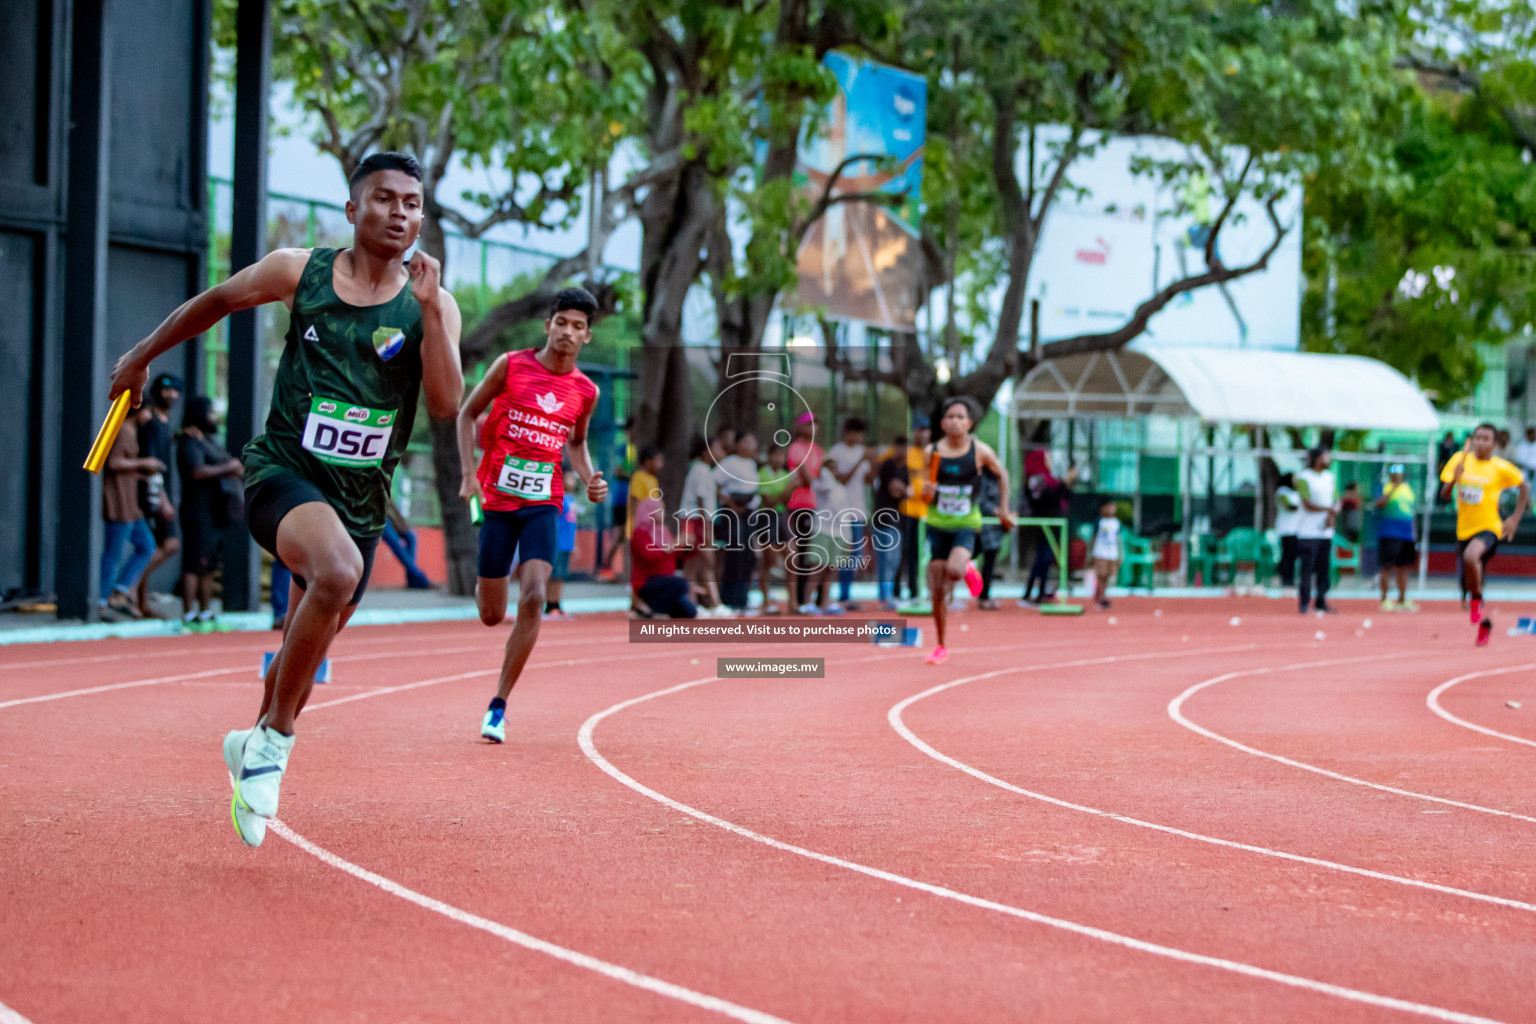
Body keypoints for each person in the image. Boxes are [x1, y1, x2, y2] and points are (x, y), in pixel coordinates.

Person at [108, 152, 464, 847]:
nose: (400, 213)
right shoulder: (298, 271)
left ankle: (253, 736)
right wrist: (144, 355)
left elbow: (447, 405)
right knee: (335, 573)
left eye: (413, 204)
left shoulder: (432, 302)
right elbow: (214, 301)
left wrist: (428, 313)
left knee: (311, 635)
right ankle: (274, 745)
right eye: (385, 199)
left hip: (360, 496)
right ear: (353, 208)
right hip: (282, 472)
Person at [457, 287, 606, 742]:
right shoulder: (511, 365)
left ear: (587, 337)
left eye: (578, 327)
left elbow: (576, 443)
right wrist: (469, 475)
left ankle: (498, 707)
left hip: (544, 501)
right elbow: (467, 414)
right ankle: (492, 600)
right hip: (497, 502)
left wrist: (589, 476)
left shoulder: (585, 391)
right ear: (548, 326)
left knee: (535, 595)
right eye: (561, 322)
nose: (567, 332)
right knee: (490, 612)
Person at [921, 397, 1014, 664]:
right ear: (942, 422)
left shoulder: (980, 451)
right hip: (937, 525)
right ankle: (940, 645)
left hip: (965, 524)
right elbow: (925, 495)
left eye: (961, 417)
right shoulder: (933, 452)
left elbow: (1002, 474)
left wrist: (1004, 510)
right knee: (937, 589)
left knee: (954, 570)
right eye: (950, 416)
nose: (955, 421)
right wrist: (926, 493)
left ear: (969, 423)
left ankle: (968, 569)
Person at [1440, 423, 1529, 645]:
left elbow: (1524, 487)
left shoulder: (1500, 467)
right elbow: (1443, 495)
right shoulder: (1460, 460)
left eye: (1485, 439)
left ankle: (1477, 601)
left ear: (1494, 444)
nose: (1480, 442)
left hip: (1489, 527)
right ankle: (1483, 621)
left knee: (1472, 557)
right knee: (1471, 580)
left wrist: (1515, 519)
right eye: (1477, 438)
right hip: (1464, 530)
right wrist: (1453, 479)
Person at [176, 396, 244, 631]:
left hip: (217, 512)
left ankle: (205, 611)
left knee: (210, 563)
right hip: (198, 511)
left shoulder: (210, 441)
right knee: (195, 562)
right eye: (210, 413)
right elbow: (196, 471)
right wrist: (229, 468)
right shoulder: (189, 442)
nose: (215, 418)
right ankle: (188, 613)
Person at [99, 412, 165, 622]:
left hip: (131, 504)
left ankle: (120, 591)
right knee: (113, 554)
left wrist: (143, 475)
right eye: (146, 411)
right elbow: (114, 463)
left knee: (147, 546)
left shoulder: (133, 430)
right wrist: (144, 463)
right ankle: (101, 602)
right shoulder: (122, 429)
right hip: (119, 502)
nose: (148, 416)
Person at [133, 373, 183, 618]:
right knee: (170, 545)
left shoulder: (164, 421)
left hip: (158, 490)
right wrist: (162, 498)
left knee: (152, 547)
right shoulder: (150, 420)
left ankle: (140, 602)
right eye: (165, 390)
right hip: (152, 492)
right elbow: (152, 463)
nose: (170, 394)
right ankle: (128, 589)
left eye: (174, 390)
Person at [824, 417, 873, 610]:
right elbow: (841, 480)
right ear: (847, 432)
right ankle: (833, 596)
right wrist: (861, 460)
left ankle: (845, 594)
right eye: (856, 432)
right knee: (838, 555)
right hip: (840, 512)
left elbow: (868, 479)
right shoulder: (836, 452)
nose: (859, 437)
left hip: (858, 510)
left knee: (856, 554)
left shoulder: (862, 452)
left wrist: (873, 461)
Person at [714, 432, 761, 613]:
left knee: (748, 556)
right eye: (748, 440)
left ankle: (742, 599)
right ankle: (729, 600)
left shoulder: (752, 464)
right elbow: (715, 484)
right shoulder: (730, 462)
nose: (751, 444)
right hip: (733, 512)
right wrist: (731, 504)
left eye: (753, 441)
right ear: (739, 443)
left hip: (749, 511)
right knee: (735, 553)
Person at [630, 496, 697, 618]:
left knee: (689, 611)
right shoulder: (640, 533)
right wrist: (672, 545)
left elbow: (674, 557)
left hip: (666, 583)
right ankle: (649, 607)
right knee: (681, 584)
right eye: (659, 510)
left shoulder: (663, 532)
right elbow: (649, 556)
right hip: (648, 582)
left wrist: (687, 546)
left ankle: (652, 608)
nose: (663, 513)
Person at [678, 434, 722, 613]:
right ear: (707, 452)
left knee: (693, 564)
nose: (720, 452)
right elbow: (702, 501)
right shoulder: (702, 470)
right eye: (717, 448)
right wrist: (707, 530)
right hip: (696, 520)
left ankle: (692, 603)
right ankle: (714, 603)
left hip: (696, 520)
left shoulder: (702, 470)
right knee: (706, 562)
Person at [785, 412, 825, 611]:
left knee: (810, 552)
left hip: (813, 505)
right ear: (799, 427)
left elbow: (818, 479)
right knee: (798, 553)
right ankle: (798, 600)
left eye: (815, 425)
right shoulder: (796, 448)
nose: (813, 428)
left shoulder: (818, 450)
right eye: (809, 425)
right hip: (797, 505)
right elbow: (809, 477)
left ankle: (807, 599)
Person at [1294, 447, 1339, 615]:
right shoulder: (1304, 477)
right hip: (1308, 531)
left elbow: (1336, 500)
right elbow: (1306, 503)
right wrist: (1328, 510)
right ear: (1317, 458)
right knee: (1306, 569)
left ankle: (1321, 601)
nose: (1328, 459)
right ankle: (1304, 603)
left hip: (1325, 533)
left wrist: (1334, 512)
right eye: (1326, 456)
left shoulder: (1330, 478)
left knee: (1323, 569)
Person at [1373, 463, 1418, 612]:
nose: (1397, 475)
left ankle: (1402, 599)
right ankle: (1385, 599)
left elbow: (1412, 511)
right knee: (1386, 567)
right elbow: (1379, 503)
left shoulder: (1408, 489)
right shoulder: (1384, 487)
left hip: (1406, 535)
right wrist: (1393, 488)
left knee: (1403, 568)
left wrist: (1413, 532)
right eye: (1394, 472)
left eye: (1399, 472)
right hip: (1389, 533)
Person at [753, 444, 793, 613]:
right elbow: (769, 502)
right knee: (768, 562)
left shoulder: (785, 475)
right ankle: (766, 602)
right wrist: (788, 490)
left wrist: (784, 495)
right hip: (767, 518)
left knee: (792, 559)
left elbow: (784, 502)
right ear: (769, 456)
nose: (779, 459)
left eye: (781, 456)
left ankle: (793, 603)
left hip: (782, 518)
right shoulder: (763, 474)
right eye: (775, 455)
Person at [872, 435, 908, 609]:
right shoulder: (888, 465)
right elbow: (895, 489)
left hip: (897, 519)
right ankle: (885, 596)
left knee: (894, 559)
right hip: (882, 519)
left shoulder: (907, 469)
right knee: (886, 559)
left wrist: (904, 490)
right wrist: (904, 490)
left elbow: (906, 491)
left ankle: (888, 594)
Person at [543, 461, 579, 620]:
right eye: (570, 477)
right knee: (553, 574)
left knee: (561, 575)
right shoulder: (558, 498)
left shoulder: (571, 498)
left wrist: (574, 544)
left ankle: (557, 604)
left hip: (567, 544)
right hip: (557, 543)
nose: (573, 480)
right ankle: (549, 605)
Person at [900, 416, 931, 600]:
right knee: (907, 553)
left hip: (927, 512)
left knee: (924, 554)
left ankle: (923, 588)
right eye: (920, 429)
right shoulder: (907, 453)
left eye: (926, 429)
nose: (924, 433)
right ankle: (909, 590)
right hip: (908, 510)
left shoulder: (933, 453)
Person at [975, 466, 1005, 610]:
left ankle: (984, 595)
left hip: (994, 529)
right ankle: (983, 596)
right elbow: (981, 502)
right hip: (983, 528)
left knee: (989, 564)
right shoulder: (983, 480)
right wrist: (997, 511)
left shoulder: (998, 480)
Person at [1091, 499, 1122, 610]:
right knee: (1101, 576)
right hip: (1100, 553)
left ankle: (1102, 596)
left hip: (1111, 553)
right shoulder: (1099, 521)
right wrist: (1090, 554)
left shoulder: (1116, 523)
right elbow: (1093, 538)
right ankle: (1099, 597)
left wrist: (1120, 555)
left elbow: (1118, 540)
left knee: (1106, 576)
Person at [1274, 473, 1301, 588]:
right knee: (1287, 554)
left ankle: (1290, 578)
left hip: (1296, 529)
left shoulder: (1297, 493)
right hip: (1286, 529)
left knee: (1294, 555)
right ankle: (1285, 578)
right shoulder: (1282, 491)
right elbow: (1289, 506)